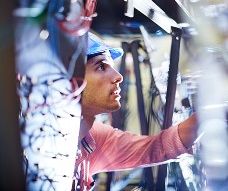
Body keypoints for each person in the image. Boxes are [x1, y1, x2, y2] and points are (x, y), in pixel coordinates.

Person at [73, 32, 199, 190]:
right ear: (70, 81)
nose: (118, 76)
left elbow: (157, 148)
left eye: (112, 66)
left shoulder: (93, 138)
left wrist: (208, 116)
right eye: (100, 67)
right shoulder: (40, 142)